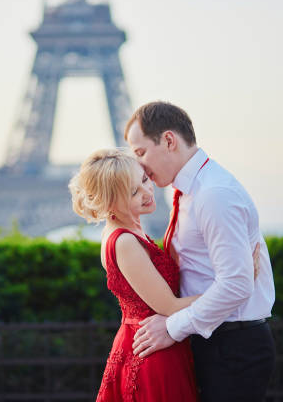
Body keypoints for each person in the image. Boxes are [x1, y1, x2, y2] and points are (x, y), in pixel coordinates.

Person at [124, 101, 276, 402]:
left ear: (169, 140)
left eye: (140, 152)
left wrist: (172, 327)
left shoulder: (213, 195)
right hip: (213, 341)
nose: (138, 166)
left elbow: (236, 285)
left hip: (232, 346)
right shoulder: (191, 192)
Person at [68, 148, 199, 401]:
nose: (148, 193)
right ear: (109, 202)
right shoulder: (124, 241)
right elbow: (170, 306)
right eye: (133, 193)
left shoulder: (129, 231)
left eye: (144, 180)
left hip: (153, 344)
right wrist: (228, 288)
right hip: (154, 354)